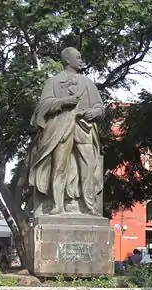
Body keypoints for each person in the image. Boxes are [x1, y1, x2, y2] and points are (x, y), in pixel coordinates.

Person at [29, 47, 104, 215]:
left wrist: (95, 112)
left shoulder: (87, 82)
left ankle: (88, 205)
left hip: (84, 128)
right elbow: (43, 106)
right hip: (61, 129)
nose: (81, 60)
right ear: (67, 60)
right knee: (59, 167)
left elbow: (100, 107)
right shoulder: (53, 82)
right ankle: (58, 205)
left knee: (88, 167)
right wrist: (64, 102)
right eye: (77, 57)